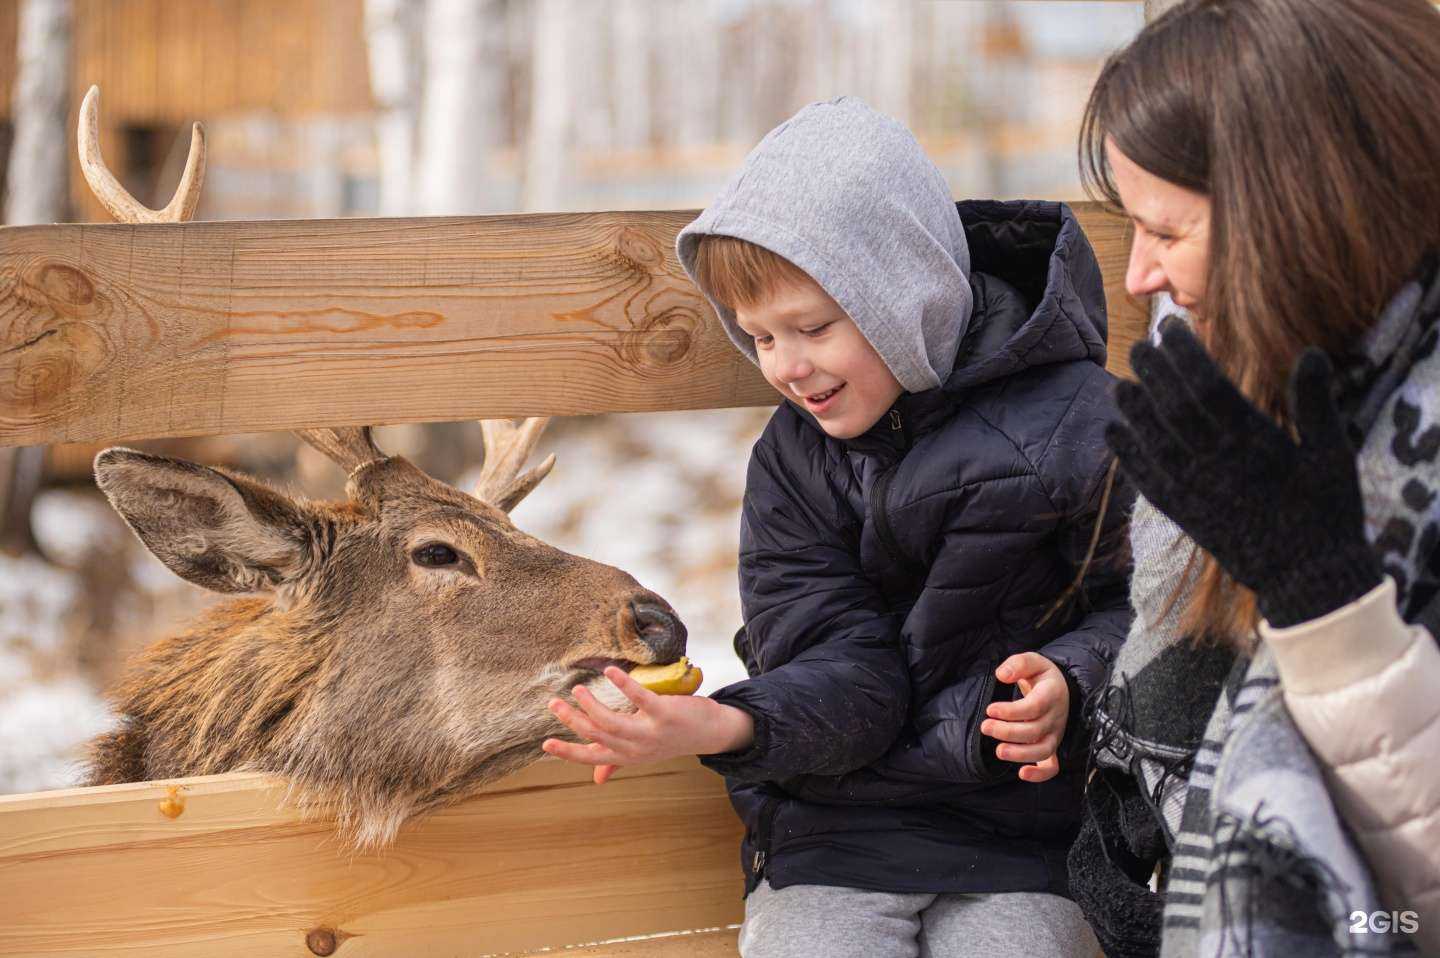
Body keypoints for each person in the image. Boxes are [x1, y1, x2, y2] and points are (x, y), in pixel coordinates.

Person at [538, 96, 1130, 957]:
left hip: (1026, 832)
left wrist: (1072, 684)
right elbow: (847, 672)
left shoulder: (1079, 421)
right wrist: (725, 724)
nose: (786, 366)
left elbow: (1153, 607)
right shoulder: (793, 465)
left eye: (813, 327)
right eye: (760, 337)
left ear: (910, 295)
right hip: (840, 821)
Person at [1063, 1, 1440, 955]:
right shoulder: (1309, 386)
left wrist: (1324, 601)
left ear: (1302, 212)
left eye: (1164, 229)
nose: (1138, 274)